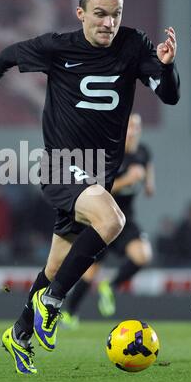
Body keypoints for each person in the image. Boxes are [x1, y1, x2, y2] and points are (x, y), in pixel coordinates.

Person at [0, 0, 180, 374]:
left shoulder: (134, 45)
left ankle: (21, 332)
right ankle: (52, 302)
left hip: (97, 175)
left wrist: (166, 66)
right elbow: (6, 55)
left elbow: (170, 95)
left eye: (115, 14)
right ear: (80, 14)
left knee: (57, 265)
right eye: (99, 14)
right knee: (113, 220)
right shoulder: (59, 47)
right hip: (63, 164)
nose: (108, 23)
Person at [61, 113, 155, 328]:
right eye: (129, 125)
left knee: (143, 255)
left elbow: (148, 175)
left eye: (136, 126)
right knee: (89, 270)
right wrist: (127, 180)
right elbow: (96, 189)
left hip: (126, 219)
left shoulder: (143, 153)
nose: (132, 130)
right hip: (103, 217)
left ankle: (110, 286)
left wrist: (148, 182)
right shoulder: (111, 153)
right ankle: (70, 313)